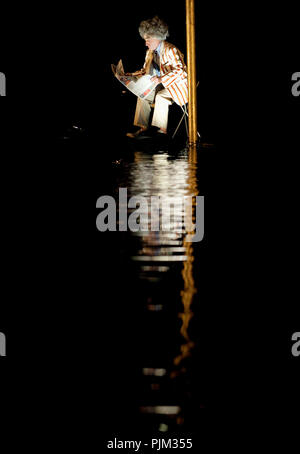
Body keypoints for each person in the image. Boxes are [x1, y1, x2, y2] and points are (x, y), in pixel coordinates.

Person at [126, 16, 188, 139]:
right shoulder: (149, 52)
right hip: (160, 85)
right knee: (142, 94)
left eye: (148, 39)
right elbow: (145, 71)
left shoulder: (171, 50)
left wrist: (161, 79)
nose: (146, 43)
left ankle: (162, 132)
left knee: (160, 97)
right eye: (145, 39)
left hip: (176, 86)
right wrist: (130, 75)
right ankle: (143, 128)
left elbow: (181, 71)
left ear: (158, 37)